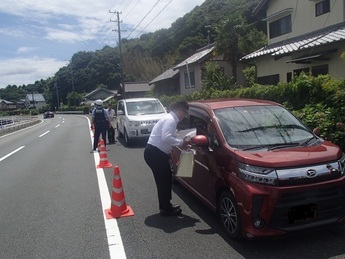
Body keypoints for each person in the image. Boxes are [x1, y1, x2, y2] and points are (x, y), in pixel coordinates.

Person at [144, 100, 190, 217]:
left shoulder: (169, 118)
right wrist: (181, 143)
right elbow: (166, 137)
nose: (185, 116)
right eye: (185, 113)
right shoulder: (171, 120)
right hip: (155, 153)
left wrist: (172, 152)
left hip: (156, 152)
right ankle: (165, 208)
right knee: (163, 180)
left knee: (165, 179)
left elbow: (167, 140)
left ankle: (166, 205)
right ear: (180, 111)